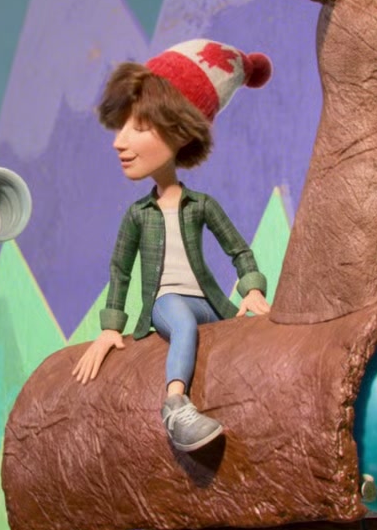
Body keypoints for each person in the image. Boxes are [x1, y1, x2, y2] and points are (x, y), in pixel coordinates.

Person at [72, 38, 273, 452]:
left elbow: (237, 249)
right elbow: (120, 271)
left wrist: (251, 287)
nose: (119, 142)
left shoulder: (201, 205)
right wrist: (110, 328)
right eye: (122, 126)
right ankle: (176, 406)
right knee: (182, 325)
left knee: (245, 334)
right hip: (166, 301)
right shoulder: (138, 215)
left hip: (208, 299)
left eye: (138, 127)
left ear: (180, 132)